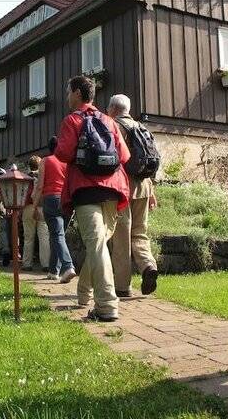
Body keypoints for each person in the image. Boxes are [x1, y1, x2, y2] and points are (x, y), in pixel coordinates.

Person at [54, 75, 131, 322]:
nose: (67, 97)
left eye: (68, 92)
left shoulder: (72, 120)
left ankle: (107, 306)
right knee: (98, 244)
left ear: (77, 93)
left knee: (96, 245)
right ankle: (84, 292)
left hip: (86, 189)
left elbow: (63, 154)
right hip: (113, 188)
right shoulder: (109, 120)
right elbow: (125, 156)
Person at [107, 94, 159, 298]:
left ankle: (122, 286)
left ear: (112, 109)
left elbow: (112, 160)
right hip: (144, 187)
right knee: (140, 233)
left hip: (123, 188)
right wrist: (152, 191)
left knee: (121, 238)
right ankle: (147, 265)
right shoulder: (142, 127)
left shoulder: (113, 126)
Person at [31, 136, 76, 283]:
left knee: (57, 235)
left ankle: (68, 266)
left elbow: (40, 186)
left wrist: (35, 206)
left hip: (51, 199)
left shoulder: (46, 161)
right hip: (67, 199)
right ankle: (53, 271)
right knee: (58, 236)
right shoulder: (67, 161)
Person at [21, 156, 50, 271]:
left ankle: (27, 264)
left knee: (28, 237)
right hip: (42, 206)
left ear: (29, 165)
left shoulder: (25, 177)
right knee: (44, 236)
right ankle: (46, 264)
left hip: (28, 207)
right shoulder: (43, 176)